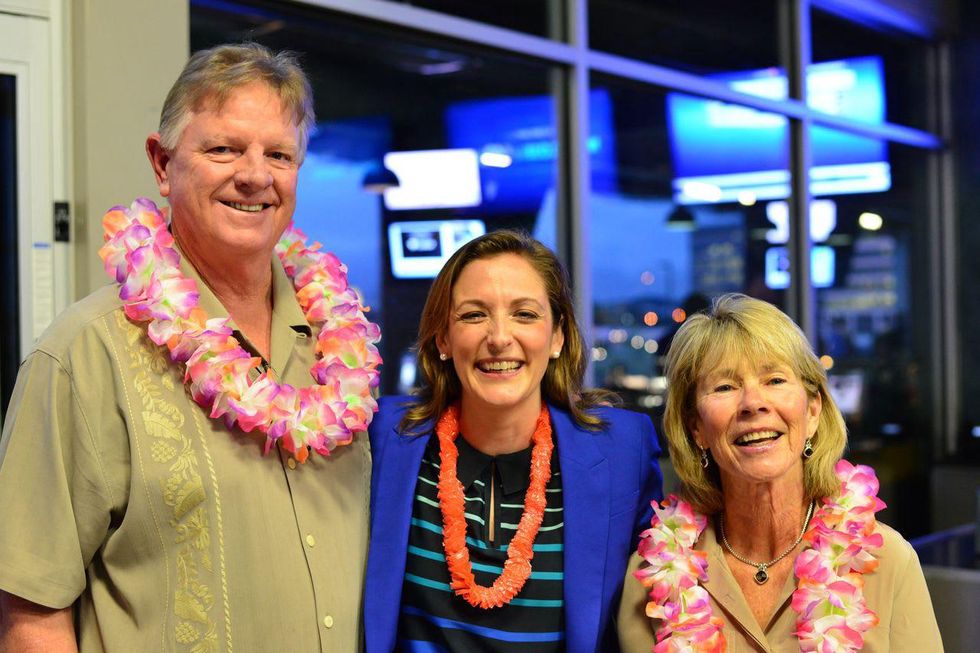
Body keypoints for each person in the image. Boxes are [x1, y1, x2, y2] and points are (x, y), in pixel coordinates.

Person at [0, 43, 381, 651]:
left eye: (278, 154)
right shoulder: (84, 354)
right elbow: (29, 613)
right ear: (162, 162)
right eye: (224, 149)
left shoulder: (340, 352)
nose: (255, 175)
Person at [364, 230, 663, 652]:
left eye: (524, 314)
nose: (499, 338)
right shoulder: (382, 436)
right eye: (474, 315)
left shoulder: (623, 451)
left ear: (557, 336)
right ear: (443, 337)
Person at [617, 293, 942, 652]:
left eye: (774, 380)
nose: (753, 403)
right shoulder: (652, 579)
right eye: (725, 387)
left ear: (813, 411)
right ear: (697, 429)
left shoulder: (889, 561)